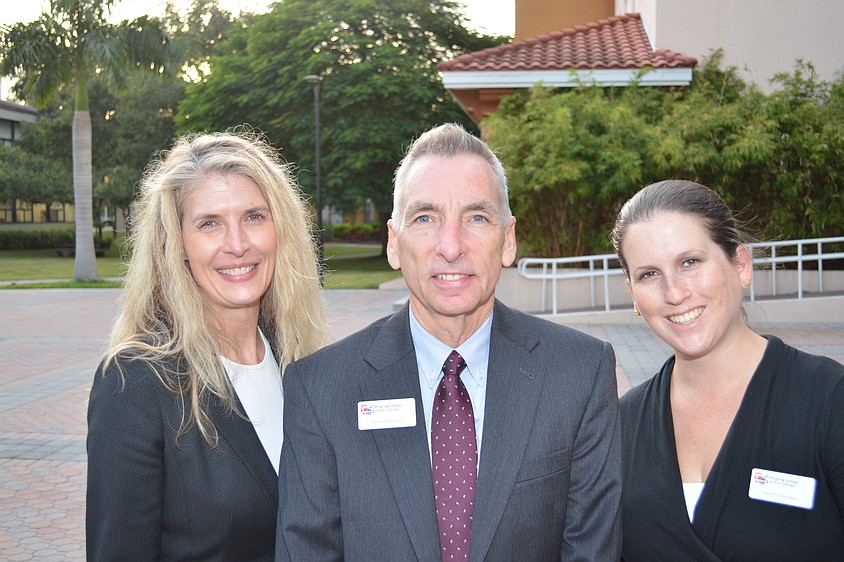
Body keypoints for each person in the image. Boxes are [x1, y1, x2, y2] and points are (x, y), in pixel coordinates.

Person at [276, 123, 622, 561]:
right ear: (394, 243)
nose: (451, 246)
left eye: (477, 217)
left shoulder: (580, 373)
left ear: (508, 240)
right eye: (425, 218)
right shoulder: (320, 388)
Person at [86, 131, 328, 561]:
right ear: (175, 244)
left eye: (254, 216)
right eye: (209, 223)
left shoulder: (301, 363)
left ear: (281, 229)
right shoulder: (135, 382)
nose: (237, 244)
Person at [611, 179, 844, 561]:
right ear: (632, 294)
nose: (674, 293)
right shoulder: (620, 425)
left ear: (741, 264)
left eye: (689, 262)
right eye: (649, 274)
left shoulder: (832, 402)